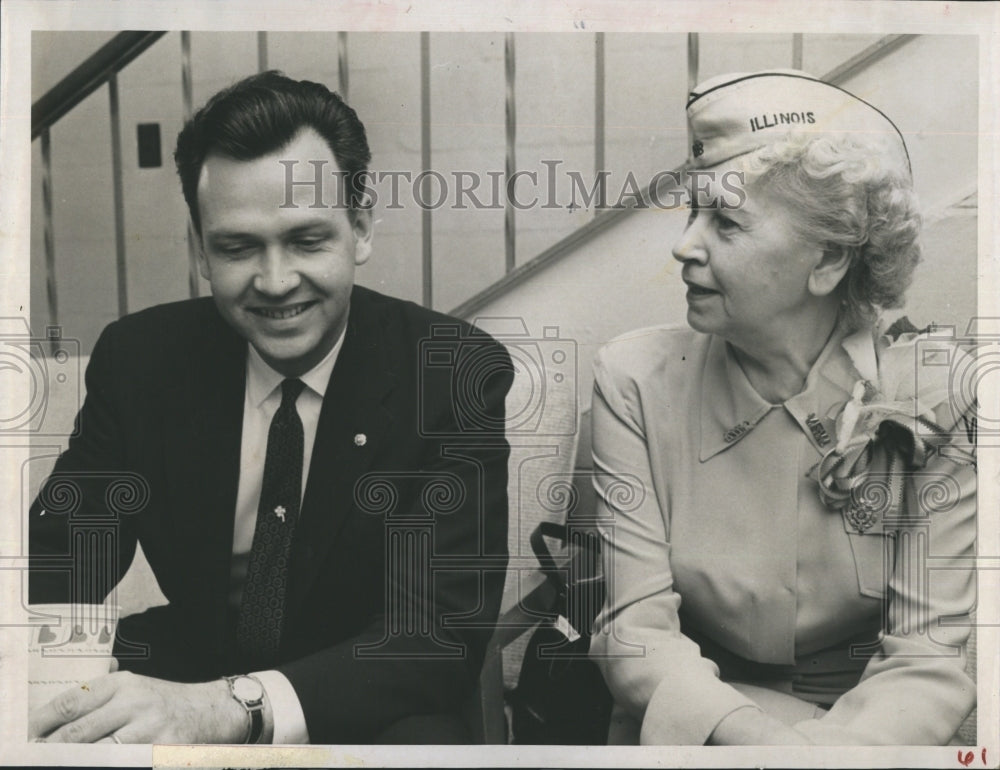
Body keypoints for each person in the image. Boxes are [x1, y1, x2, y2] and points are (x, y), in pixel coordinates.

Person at [28, 71, 513, 745]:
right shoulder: (141, 359)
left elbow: (433, 637)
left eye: (308, 239)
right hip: (184, 672)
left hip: (367, 702)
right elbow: (57, 565)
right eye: (237, 247)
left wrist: (230, 709)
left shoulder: (453, 370)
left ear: (361, 228)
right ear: (200, 249)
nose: (276, 281)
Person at [589, 70, 977, 745]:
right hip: (693, 728)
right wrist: (756, 742)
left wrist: (820, 758)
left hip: (867, 739)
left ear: (827, 261)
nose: (684, 246)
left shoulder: (937, 396)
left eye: (727, 224)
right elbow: (635, 630)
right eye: (692, 214)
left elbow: (926, 659)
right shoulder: (634, 380)